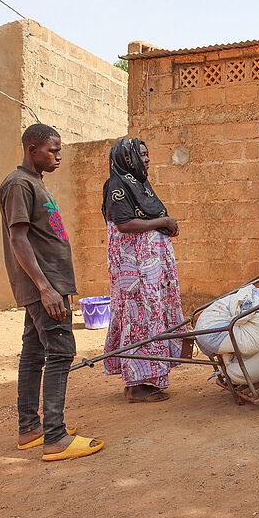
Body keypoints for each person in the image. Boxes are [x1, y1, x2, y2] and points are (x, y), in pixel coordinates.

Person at [0, 123, 104, 461]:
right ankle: (55, 437)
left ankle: (30, 428)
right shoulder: (18, 184)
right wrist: (46, 288)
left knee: (33, 353)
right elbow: (18, 238)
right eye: (52, 150)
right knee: (60, 351)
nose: (58, 156)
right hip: (45, 288)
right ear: (32, 149)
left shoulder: (32, 183)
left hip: (47, 286)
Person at [102, 137, 185, 402]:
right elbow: (124, 224)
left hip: (148, 268)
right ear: (128, 159)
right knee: (139, 319)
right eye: (142, 155)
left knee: (150, 317)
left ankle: (143, 379)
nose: (147, 160)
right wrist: (165, 221)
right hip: (134, 270)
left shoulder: (138, 184)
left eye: (148, 155)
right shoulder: (117, 185)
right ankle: (135, 385)